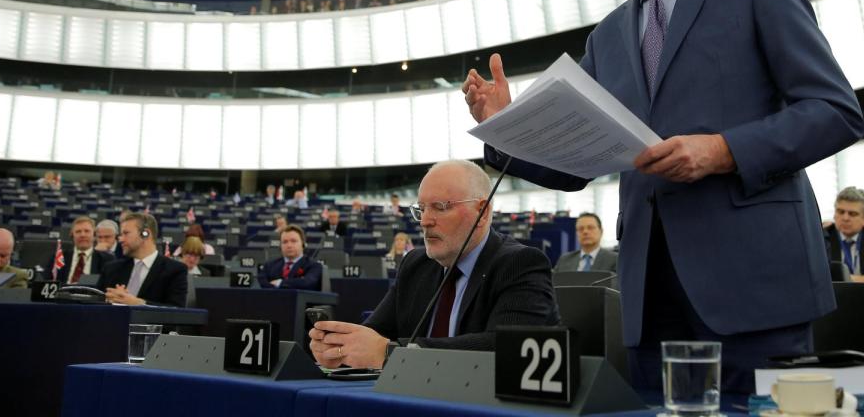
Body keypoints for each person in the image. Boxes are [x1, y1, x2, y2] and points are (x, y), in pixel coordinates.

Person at [461, 0, 863, 400]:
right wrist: (505, 126)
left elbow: (834, 110)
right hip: (650, 297)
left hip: (754, 286)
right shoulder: (606, 37)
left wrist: (723, 150)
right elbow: (573, 167)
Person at [309, 160, 560, 369]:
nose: (425, 221)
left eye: (440, 207)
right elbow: (376, 333)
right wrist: (341, 347)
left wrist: (391, 353)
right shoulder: (415, 264)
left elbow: (507, 346)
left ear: (482, 212)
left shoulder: (520, 263)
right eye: (421, 209)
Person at [97, 212, 188, 307]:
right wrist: (108, 300)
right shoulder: (111, 269)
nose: (121, 239)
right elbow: (96, 304)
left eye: (126, 233)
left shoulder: (174, 270)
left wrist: (139, 303)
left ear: (145, 234)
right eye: (121, 234)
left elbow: (176, 310)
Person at [45, 216, 114, 284]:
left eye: (87, 231)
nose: (82, 235)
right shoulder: (59, 257)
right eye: (78, 232)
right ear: (72, 236)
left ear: (94, 235)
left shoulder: (106, 260)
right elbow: (47, 282)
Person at [257, 225, 322, 290]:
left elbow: (307, 283)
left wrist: (280, 283)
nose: (289, 245)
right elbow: (261, 284)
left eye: (293, 241)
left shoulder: (314, 266)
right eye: (285, 242)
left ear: (303, 244)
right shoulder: (269, 266)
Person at [553, 213, 618, 273]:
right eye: (581, 229)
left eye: (590, 228)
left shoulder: (614, 260)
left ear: (601, 231)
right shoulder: (564, 260)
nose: (585, 232)